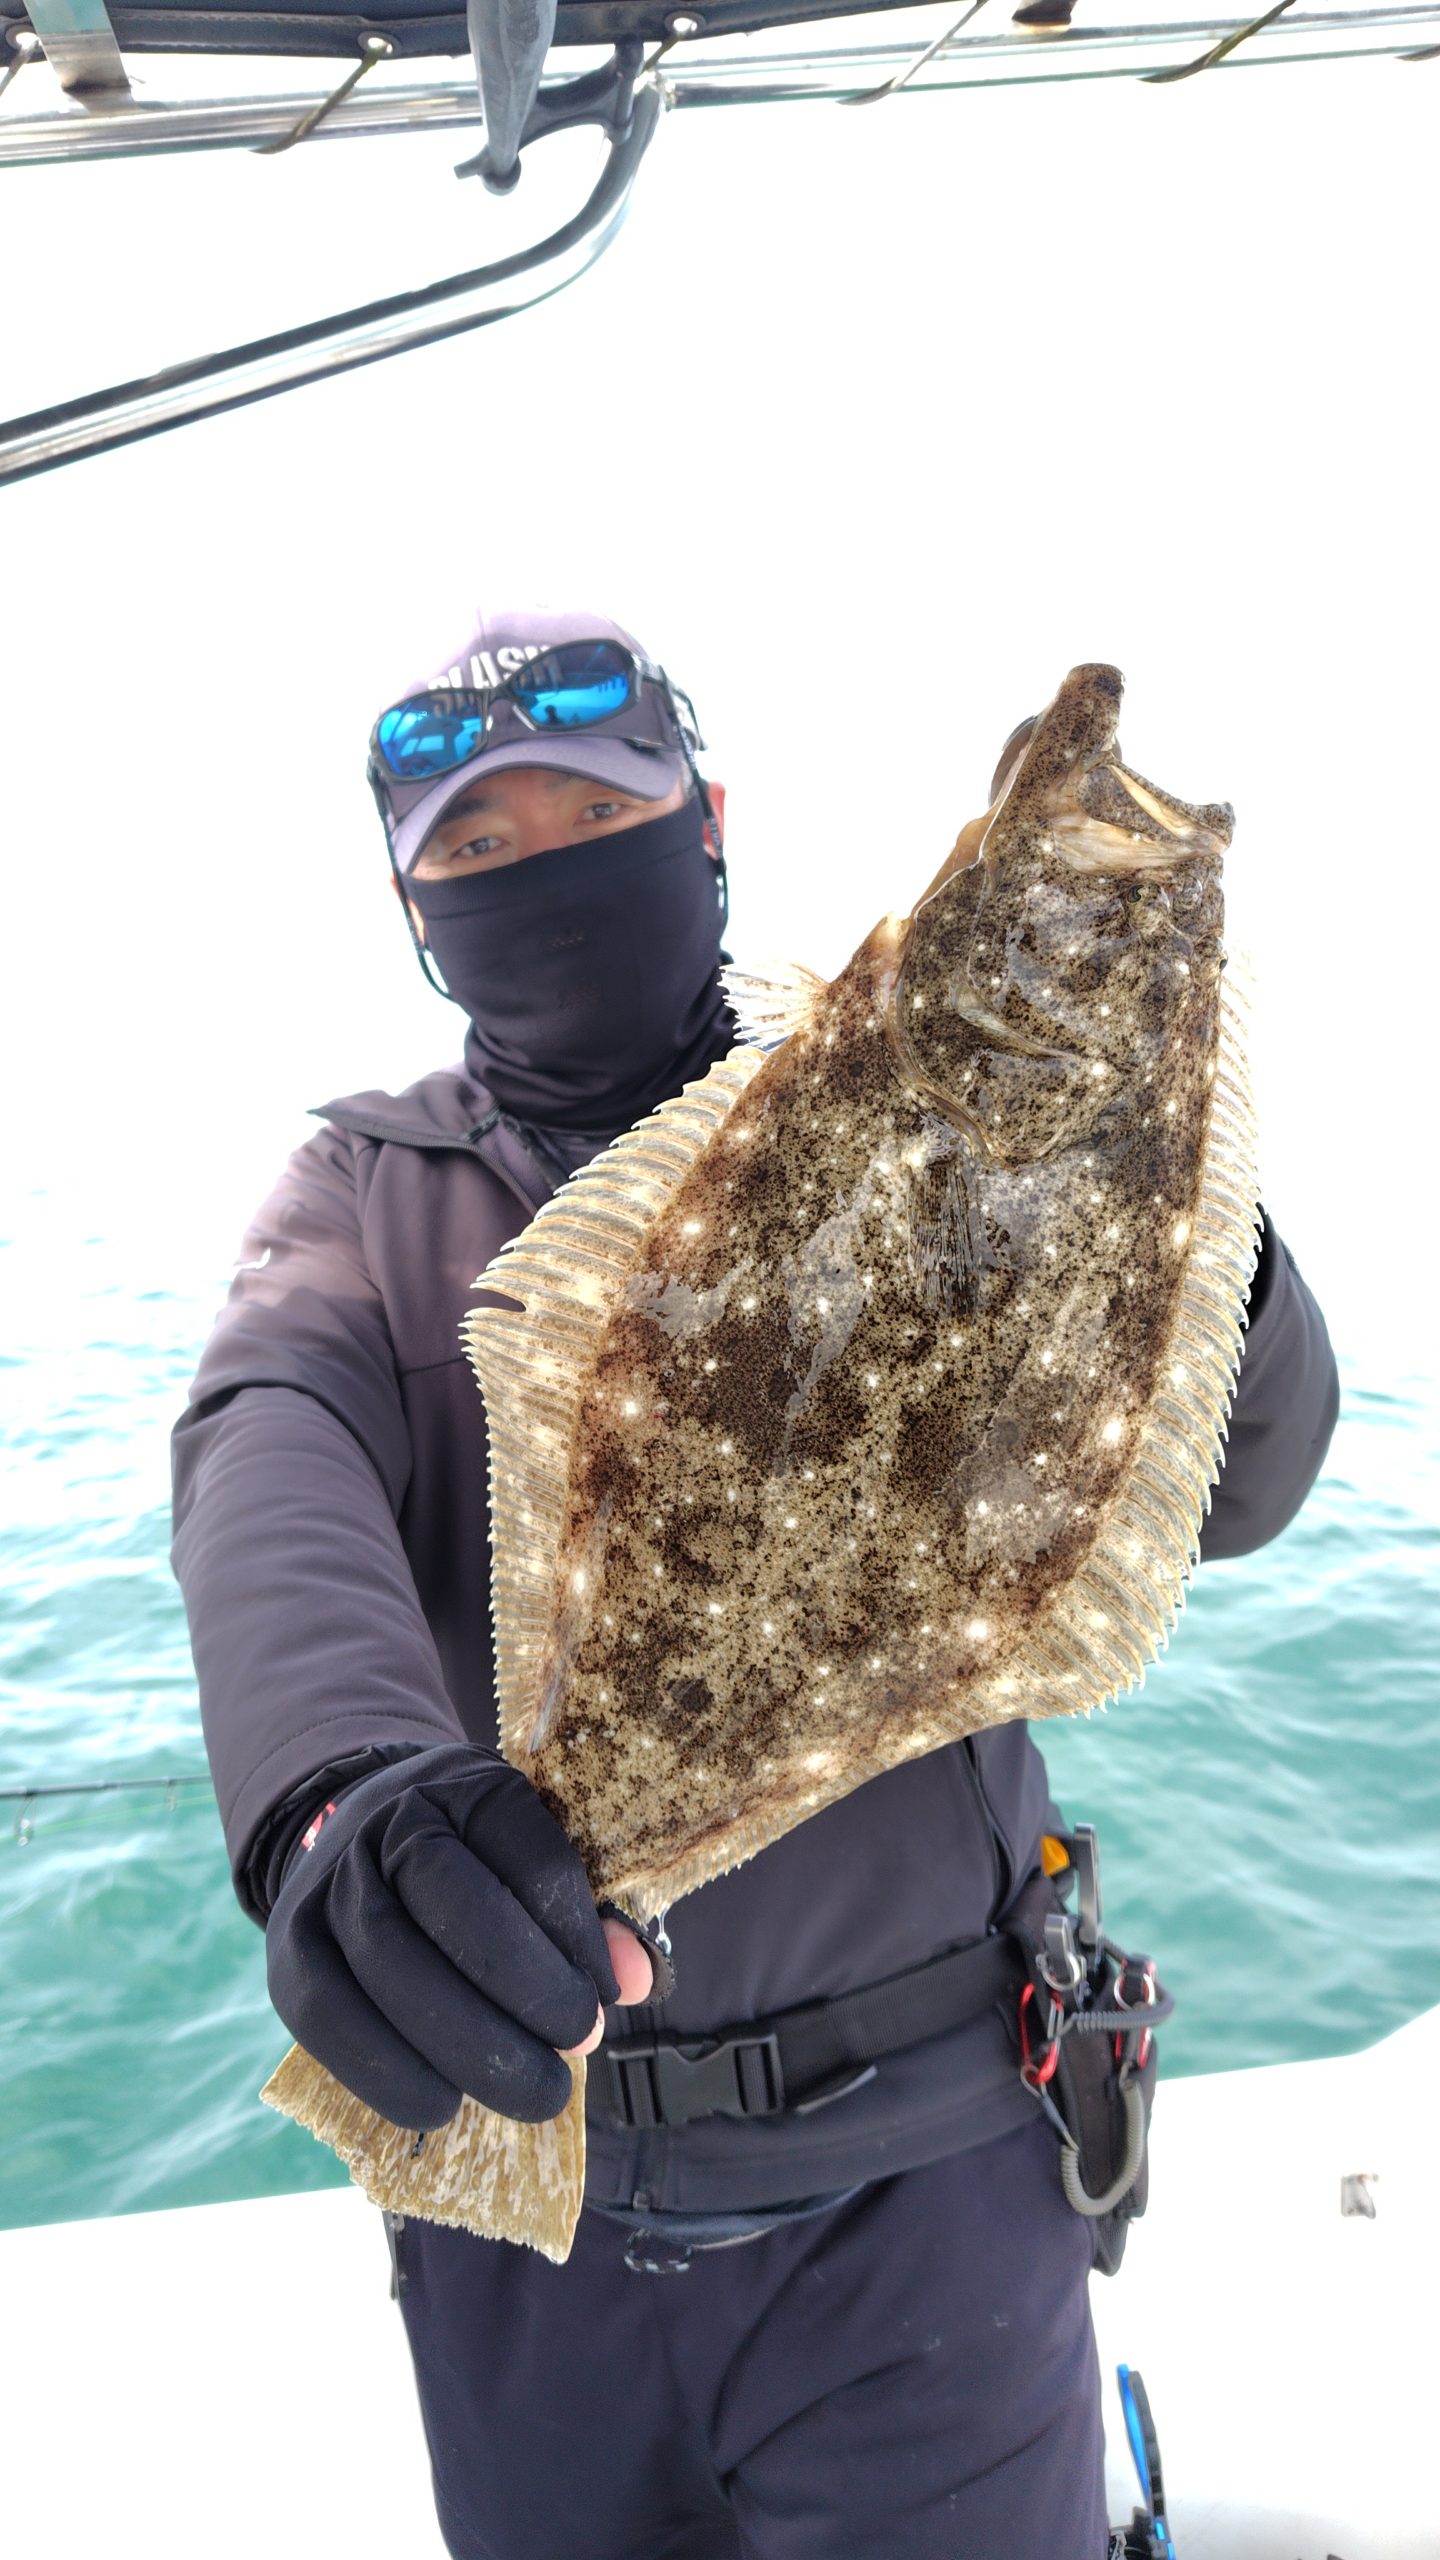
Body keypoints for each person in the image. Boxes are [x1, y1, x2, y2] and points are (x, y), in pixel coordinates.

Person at [172, 606, 1339, 2560]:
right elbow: (260, 1458)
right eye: (477, 847)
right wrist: (333, 1791)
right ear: (413, 909)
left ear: (704, 820)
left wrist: (1165, 1203)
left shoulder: (920, 1125)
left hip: (934, 2176)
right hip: (526, 2181)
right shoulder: (360, 1199)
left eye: (586, 811)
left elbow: (1245, 1482)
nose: (536, 863)